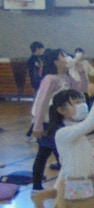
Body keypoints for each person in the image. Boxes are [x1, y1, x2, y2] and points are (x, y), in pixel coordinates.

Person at [30, 49, 87, 193]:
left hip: (60, 122)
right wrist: (37, 125)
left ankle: (39, 187)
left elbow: (81, 91)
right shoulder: (50, 79)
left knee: (44, 153)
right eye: (63, 56)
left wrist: (81, 72)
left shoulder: (67, 77)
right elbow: (41, 102)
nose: (67, 58)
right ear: (55, 61)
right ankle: (69, 189)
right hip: (49, 123)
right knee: (59, 155)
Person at [25, 41, 45, 140]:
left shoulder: (40, 59)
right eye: (42, 49)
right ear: (37, 49)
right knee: (39, 112)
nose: (43, 51)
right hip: (39, 88)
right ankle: (31, 134)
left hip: (41, 87)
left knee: (41, 112)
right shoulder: (32, 61)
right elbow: (36, 77)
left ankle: (31, 134)